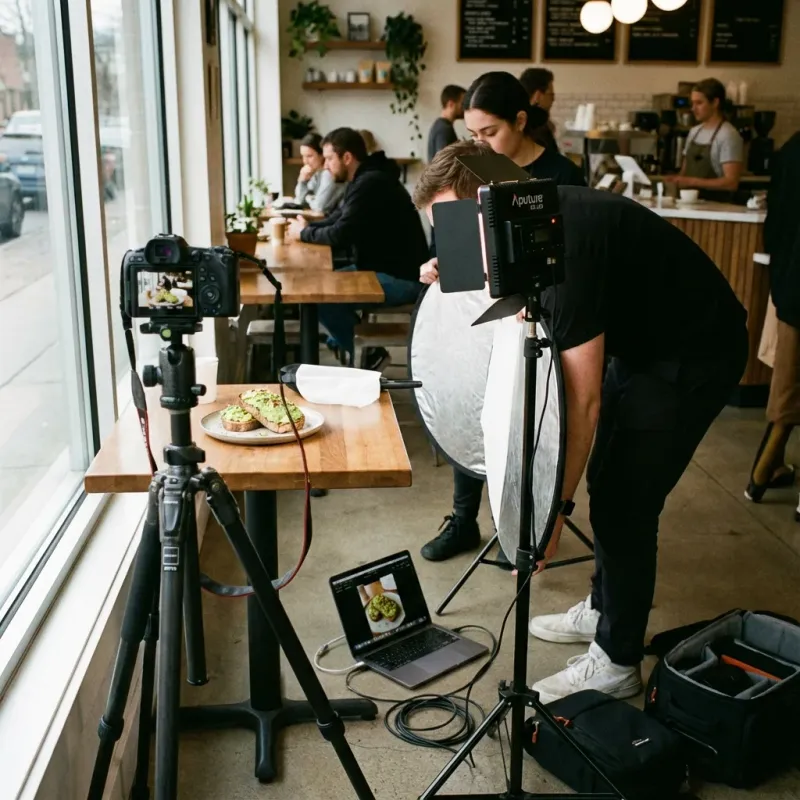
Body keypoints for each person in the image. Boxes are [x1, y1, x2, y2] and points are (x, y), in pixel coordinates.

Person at [414, 139, 748, 703]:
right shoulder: (531, 216)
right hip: (641, 345)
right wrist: (453, 268)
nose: (451, 242)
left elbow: (581, 403)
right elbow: (498, 275)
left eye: (454, 227)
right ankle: (602, 607)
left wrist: (549, 516)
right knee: (610, 481)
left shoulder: (567, 247)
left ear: (492, 205)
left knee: (624, 501)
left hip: (693, 352)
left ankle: (617, 661)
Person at [419, 71, 584, 563]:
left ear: (521, 121)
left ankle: (524, 520)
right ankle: (464, 518)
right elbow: (460, 247)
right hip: (483, 315)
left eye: (489, 133)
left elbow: (570, 265)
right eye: (473, 134)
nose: (480, 143)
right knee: (469, 406)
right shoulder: (472, 169)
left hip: (544, 319)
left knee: (523, 420)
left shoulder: (561, 176)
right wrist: (439, 264)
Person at [288, 127, 427, 369]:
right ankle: (346, 342)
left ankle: (370, 356)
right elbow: (338, 218)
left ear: (347, 157)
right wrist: (307, 229)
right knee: (321, 285)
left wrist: (303, 233)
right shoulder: (366, 179)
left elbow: (341, 233)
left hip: (403, 278)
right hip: (379, 267)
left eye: (329, 158)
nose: (326, 165)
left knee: (321, 298)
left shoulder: (370, 183)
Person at [746, 131, 800, 514]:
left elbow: (775, 222)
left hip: (792, 285)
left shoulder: (792, 150)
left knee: (787, 389)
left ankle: (761, 477)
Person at [665, 78, 743, 199]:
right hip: (689, 203)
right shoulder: (694, 132)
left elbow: (731, 183)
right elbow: (684, 173)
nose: (693, 108)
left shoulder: (728, 135)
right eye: (692, 103)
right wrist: (676, 181)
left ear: (715, 103)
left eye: (699, 103)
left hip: (716, 206)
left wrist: (692, 182)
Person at [294, 132, 346, 214]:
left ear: (321, 154)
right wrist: (302, 180)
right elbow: (300, 201)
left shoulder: (328, 173)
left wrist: (309, 198)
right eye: (303, 156)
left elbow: (319, 207)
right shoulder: (316, 173)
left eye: (309, 156)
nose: (305, 161)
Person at [519, 67, 558, 152]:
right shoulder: (538, 127)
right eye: (551, 94)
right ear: (538, 96)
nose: (553, 99)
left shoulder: (515, 120)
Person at [427, 84, 466, 163]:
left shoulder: (440, 125)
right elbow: (444, 163)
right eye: (462, 104)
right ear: (451, 104)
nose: (465, 108)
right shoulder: (444, 129)